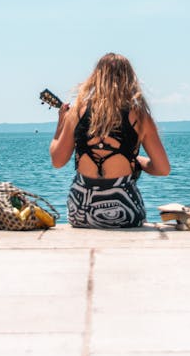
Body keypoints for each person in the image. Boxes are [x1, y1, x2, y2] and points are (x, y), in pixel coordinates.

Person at [49, 53, 170, 228]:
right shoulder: (140, 116)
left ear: (96, 77)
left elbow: (58, 161)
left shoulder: (76, 113)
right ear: (129, 79)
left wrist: (60, 124)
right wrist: (137, 161)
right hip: (125, 212)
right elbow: (163, 169)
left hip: (81, 213)